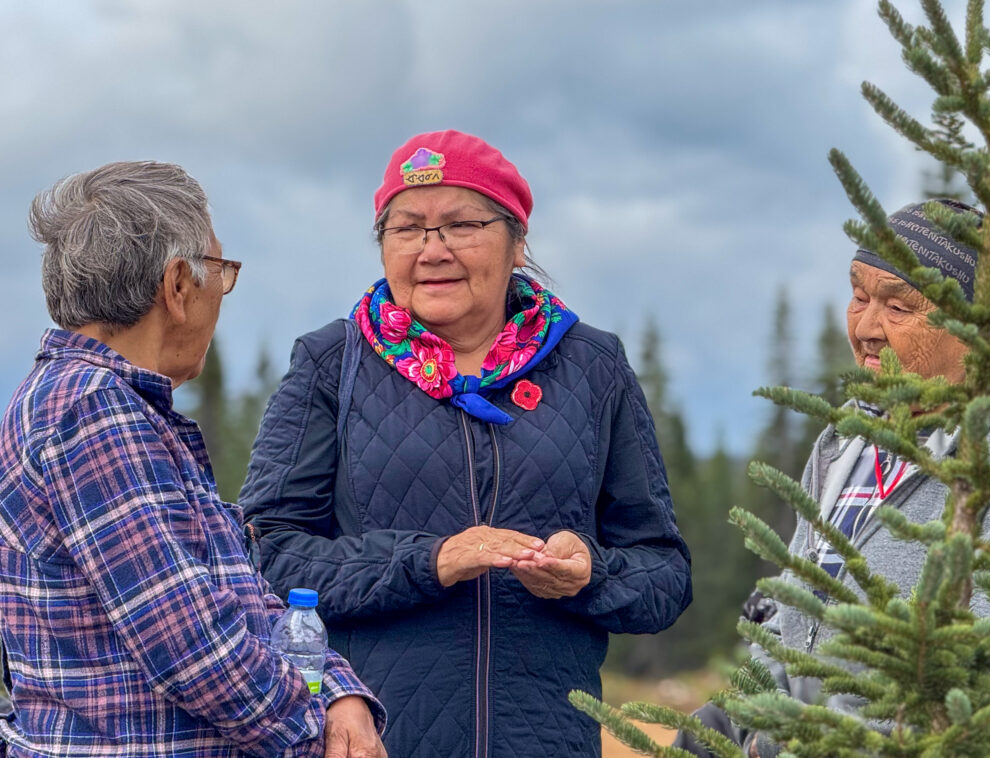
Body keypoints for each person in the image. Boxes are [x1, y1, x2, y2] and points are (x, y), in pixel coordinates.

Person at [240, 129, 693, 757]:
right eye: (406, 228)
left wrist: (591, 574)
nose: (432, 250)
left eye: (461, 224)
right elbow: (266, 559)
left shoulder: (593, 367)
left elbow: (663, 574)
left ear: (517, 241)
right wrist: (431, 562)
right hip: (373, 741)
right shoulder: (330, 364)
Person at [0, 161, 386, 758]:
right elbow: (192, 646)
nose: (221, 295)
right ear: (178, 285)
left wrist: (338, 692)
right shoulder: (94, 410)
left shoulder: (114, 406)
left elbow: (238, 598)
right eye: (221, 272)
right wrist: (315, 735)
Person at [673, 198, 990, 758]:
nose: (865, 328)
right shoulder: (845, 442)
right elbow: (793, 617)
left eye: (899, 307)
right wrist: (733, 719)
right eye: (858, 296)